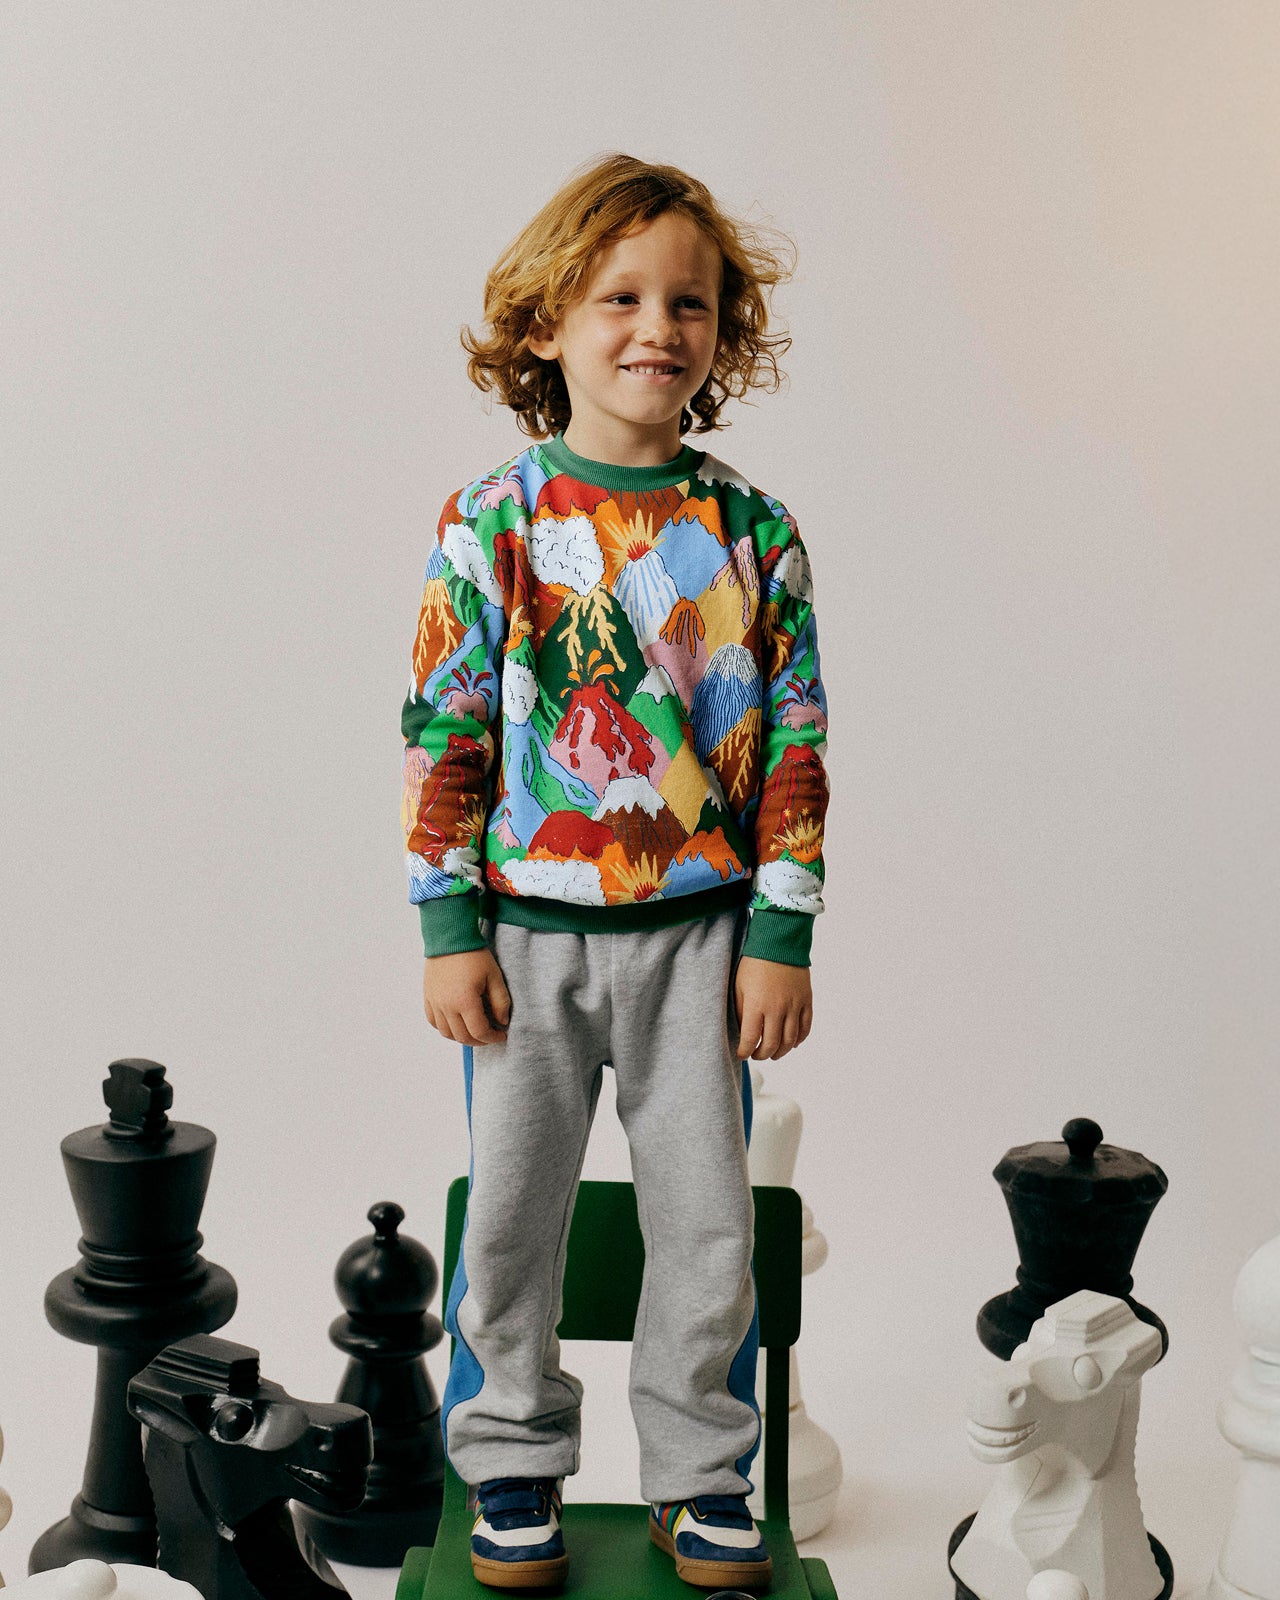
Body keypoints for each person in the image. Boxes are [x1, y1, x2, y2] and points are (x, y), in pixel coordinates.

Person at [400, 152, 830, 1592]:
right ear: (544, 325)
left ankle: (702, 1474)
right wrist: (445, 917)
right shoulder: (493, 521)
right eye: (622, 297)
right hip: (523, 940)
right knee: (512, 1220)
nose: (660, 326)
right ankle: (511, 1463)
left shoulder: (755, 534)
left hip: (704, 944)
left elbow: (794, 745)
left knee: (708, 1228)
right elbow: (446, 723)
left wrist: (783, 932)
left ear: (724, 335)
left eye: (691, 302)